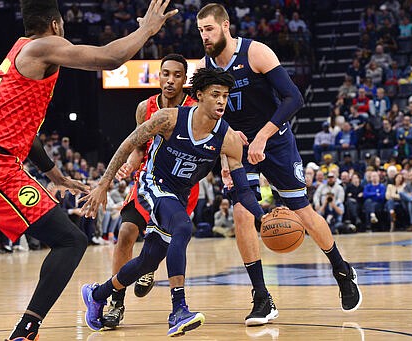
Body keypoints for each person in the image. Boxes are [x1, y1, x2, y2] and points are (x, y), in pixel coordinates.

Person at [0, 1, 178, 340]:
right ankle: (25, 333)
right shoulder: (45, 45)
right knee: (70, 240)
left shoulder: (18, 50)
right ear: (57, 25)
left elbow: (24, 130)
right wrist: (147, 29)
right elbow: (110, 58)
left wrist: (54, 174)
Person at [196, 3, 361, 325]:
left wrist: (261, 138)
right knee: (242, 212)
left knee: (303, 212)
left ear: (225, 25)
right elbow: (208, 116)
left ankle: (341, 269)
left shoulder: (256, 53)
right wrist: (225, 154)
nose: (204, 36)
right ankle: (261, 296)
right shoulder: (205, 67)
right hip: (239, 148)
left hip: (276, 141)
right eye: (201, 30)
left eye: (209, 29)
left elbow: (294, 98)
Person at [80, 68, 270, 337]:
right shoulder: (168, 119)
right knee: (182, 227)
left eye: (225, 96)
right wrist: (103, 184)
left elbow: (243, 190)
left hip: (178, 195)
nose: (221, 102)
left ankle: (97, 294)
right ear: (199, 95)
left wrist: (263, 216)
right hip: (152, 183)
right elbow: (127, 145)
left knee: (149, 260)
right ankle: (178, 309)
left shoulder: (227, 138)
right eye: (215, 95)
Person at [102, 54, 198, 329]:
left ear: (185, 80)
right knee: (125, 233)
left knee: (160, 249)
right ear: (159, 76)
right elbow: (138, 147)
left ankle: (149, 266)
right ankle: (116, 302)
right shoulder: (145, 107)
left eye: (177, 75)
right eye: (165, 74)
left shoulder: (194, 109)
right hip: (149, 179)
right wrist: (129, 165)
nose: (170, 80)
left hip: (181, 186)